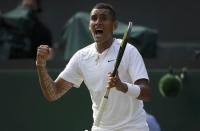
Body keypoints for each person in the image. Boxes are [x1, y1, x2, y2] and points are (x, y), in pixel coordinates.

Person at [36, 3, 151, 131]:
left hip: (133, 128)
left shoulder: (129, 51)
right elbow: (53, 93)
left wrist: (122, 86)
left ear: (115, 25)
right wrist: (41, 65)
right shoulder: (81, 57)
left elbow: (146, 93)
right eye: (94, 18)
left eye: (103, 18)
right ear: (89, 26)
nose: (98, 22)